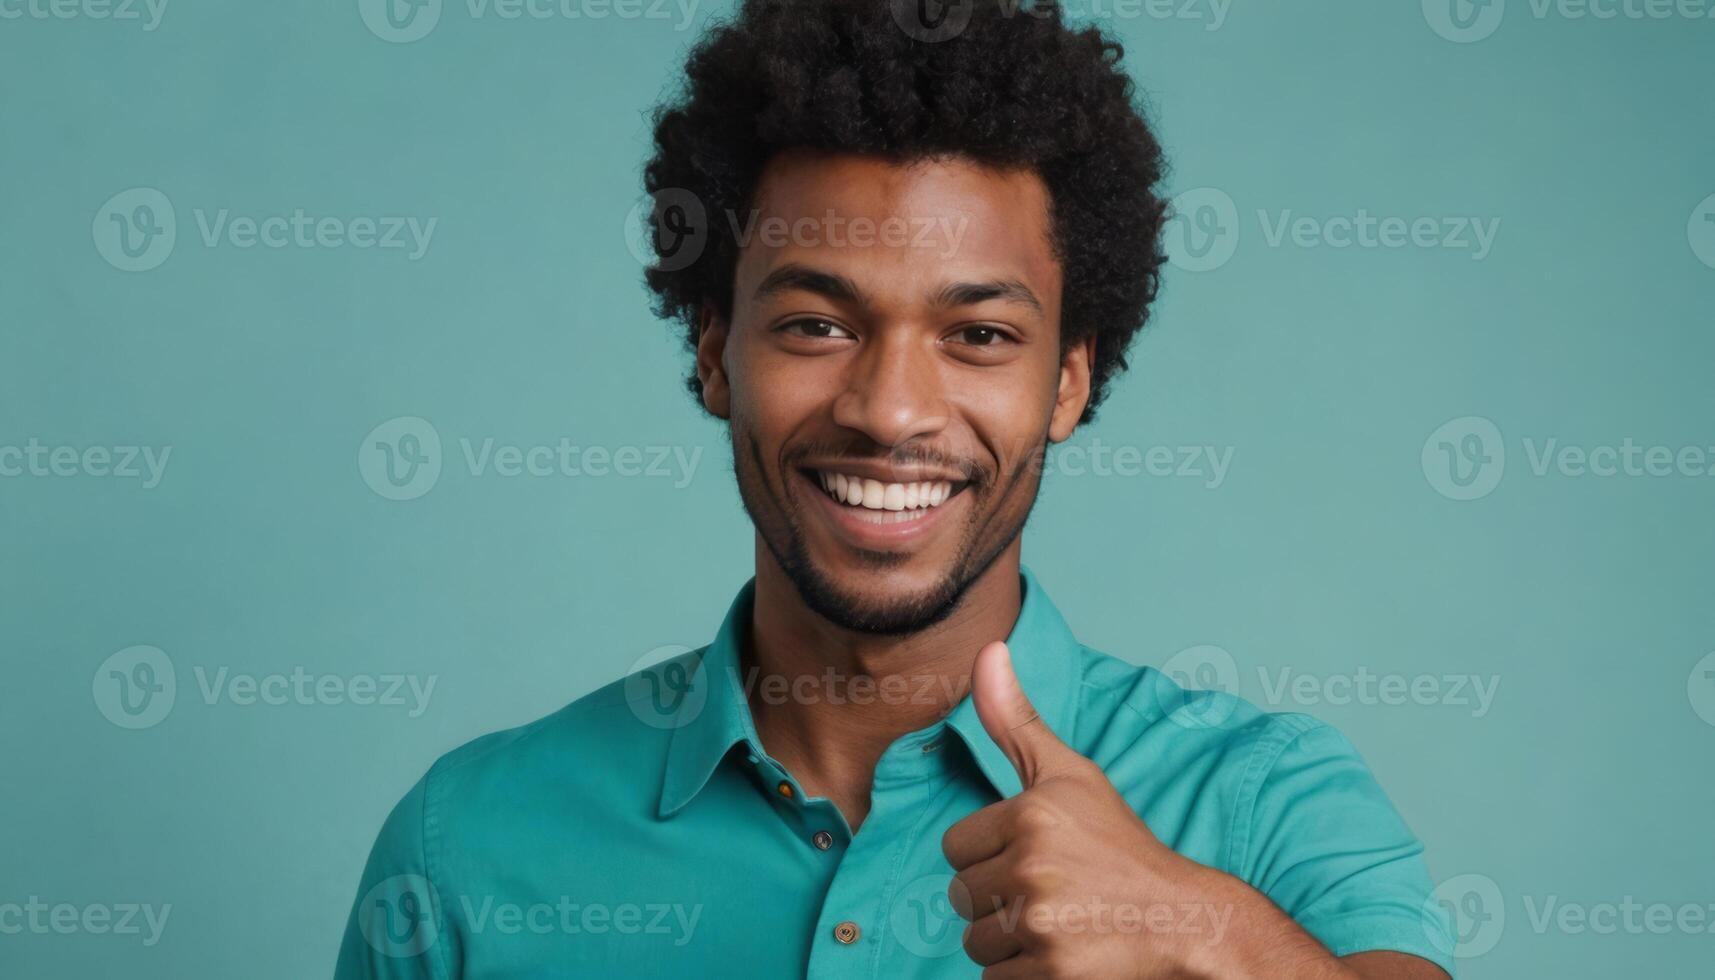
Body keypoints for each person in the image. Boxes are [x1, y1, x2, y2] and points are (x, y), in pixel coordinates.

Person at [337, 1, 1456, 975]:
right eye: (817, 322)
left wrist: (1201, 934)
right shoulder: (468, 846)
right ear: (716, 350)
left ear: (1066, 381)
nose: (888, 408)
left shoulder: (1263, 802)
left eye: (975, 333)